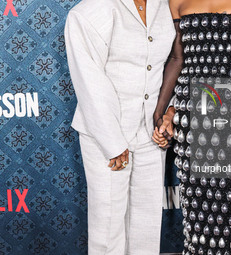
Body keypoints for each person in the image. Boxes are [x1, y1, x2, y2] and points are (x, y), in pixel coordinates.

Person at [152, 0, 231, 254]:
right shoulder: (177, 1)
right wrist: (160, 108)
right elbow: (177, 58)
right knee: (196, 204)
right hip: (189, 109)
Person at [64, 0, 176, 254]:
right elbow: (89, 80)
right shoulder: (90, 11)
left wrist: (169, 114)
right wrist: (112, 142)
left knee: (146, 226)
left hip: (151, 133)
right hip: (105, 135)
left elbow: (175, 62)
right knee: (108, 227)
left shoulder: (165, 4)